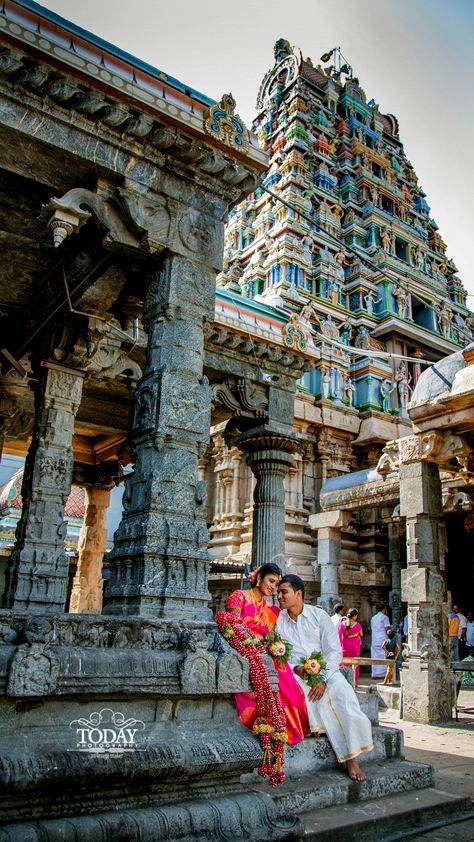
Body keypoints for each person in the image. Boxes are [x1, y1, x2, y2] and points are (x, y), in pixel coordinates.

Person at [276, 575, 373, 782]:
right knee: (303, 695)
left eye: (284, 592)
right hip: (298, 674)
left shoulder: (319, 616)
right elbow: (279, 654)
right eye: (278, 592)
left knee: (344, 696)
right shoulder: (279, 621)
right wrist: (297, 668)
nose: (279, 596)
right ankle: (316, 728)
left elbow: (334, 652)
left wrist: (323, 678)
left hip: (326, 672)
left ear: (298, 593)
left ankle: (352, 760)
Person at [225, 563, 308, 745]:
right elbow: (231, 627)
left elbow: (273, 634)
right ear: (259, 577)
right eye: (271, 581)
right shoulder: (239, 597)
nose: (272, 587)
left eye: (276, 585)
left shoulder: (269, 609)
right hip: (243, 649)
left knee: (284, 672)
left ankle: (287, 726)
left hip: (265, 651)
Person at [339, 608, 364, 683]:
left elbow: (339, 635)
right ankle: (354, 681)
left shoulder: (342, 624)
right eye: (356, 615)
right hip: (355, 646)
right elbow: (361, 634)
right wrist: (355, 635)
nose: (357, 617)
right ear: (354, 616)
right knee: (355, 662)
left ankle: (344, 680)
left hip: (345, 645)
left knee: (345, 662)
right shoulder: (357, 625)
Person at [370, 604, 391, 678]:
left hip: (375, 639)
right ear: (384, 609)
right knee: (383, 656)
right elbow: (387, 629)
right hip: (382, 639)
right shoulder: (384, 617)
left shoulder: (373, 618)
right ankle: (383, 674)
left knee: (375, 656)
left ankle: (375, 674)